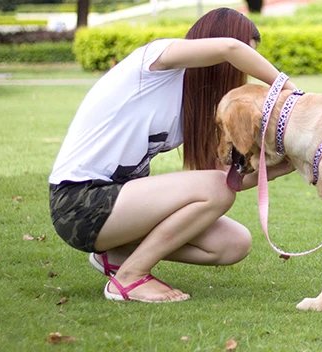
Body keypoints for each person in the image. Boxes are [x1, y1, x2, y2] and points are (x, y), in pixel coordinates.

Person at [48, 8, 296, 303]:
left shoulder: (195, 106)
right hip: (78, 202)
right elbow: (230, 47)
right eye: (244, 61)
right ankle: (129, 278)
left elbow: (227, 182)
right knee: (215, 190)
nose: (241, 72)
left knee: (233, 243)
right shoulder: (155, 61)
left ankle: (117, 257)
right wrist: (291, 93)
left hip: (117, 208)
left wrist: (285, 165)